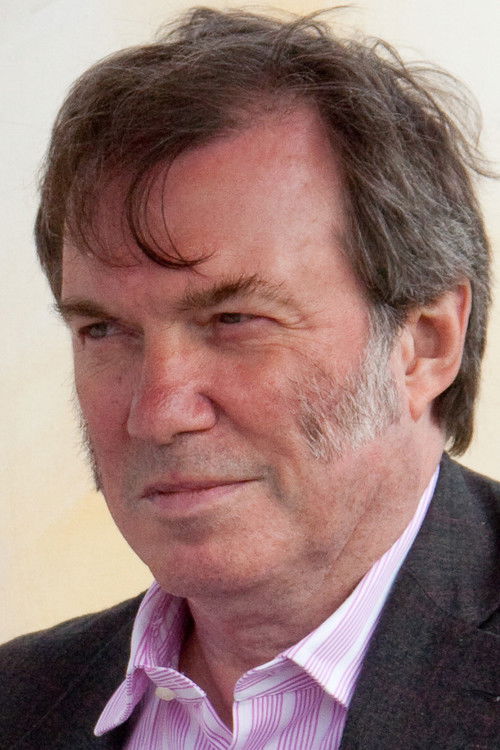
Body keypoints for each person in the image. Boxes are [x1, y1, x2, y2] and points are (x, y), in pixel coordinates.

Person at [1, 7, 498, 749]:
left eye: (234, 319)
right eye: (104, 330)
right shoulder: (19, 702)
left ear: (424, 344)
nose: (158, 411)